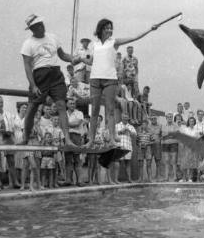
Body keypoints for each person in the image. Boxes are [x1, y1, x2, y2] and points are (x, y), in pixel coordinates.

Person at [86, 18, 160, 151]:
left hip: (110, 79)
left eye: (111, 27)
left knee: (110, 110)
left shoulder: (114, 42)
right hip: (95, 79)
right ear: (101, 29)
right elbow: (91, 60)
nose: (110, 30)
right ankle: (90, 140)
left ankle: (112, 140)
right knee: (95, 111)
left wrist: (149, 29)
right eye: (107, 27)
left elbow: (134, 38)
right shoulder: (94, 44)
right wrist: (80, 58)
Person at [21, 14, 85, 149]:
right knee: (32, 107)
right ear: (32, 29)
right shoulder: (28, 44)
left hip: (56, 74)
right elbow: (27, 66)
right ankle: (25, 137)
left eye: (42, 24)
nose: (41, 27)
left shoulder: (53, 37)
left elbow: (63, 55)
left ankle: (67, 139)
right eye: (38, 26)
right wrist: (33, 85)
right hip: (40, 75)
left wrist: (74, 59)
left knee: (62, 105)